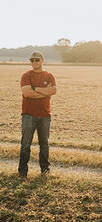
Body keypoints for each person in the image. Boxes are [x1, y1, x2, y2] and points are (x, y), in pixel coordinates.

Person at [18, 51, 57, 179]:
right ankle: (22, 172)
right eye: (32, 60)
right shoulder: (26, 76)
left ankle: (45, 170)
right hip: (29, 115)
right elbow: (27, 93)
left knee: (44, 144)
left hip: (45, 115)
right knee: (26, 145)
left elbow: (54, 90)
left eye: (37, 60)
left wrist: (35, 88)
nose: (34, 62)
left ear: (42, 60)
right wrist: (45, 92)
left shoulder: (49, 75)